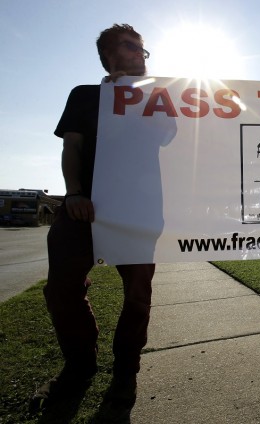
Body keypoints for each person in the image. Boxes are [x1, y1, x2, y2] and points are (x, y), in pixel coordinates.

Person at [30, 24, 154, 418]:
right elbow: (73, 146)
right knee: (61, 290)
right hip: (83, 208)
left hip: (140, 210)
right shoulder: (85, 96)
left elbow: (183, 141)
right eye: (131, 47)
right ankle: (80, 364)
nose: (140, 54)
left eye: (143, 49)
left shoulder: (158, 99)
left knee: (137, 295)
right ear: (108, 55)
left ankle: (125, 373)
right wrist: (75, 192)